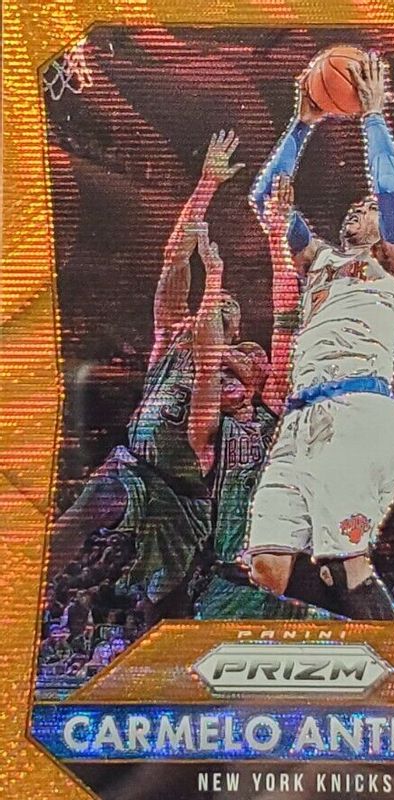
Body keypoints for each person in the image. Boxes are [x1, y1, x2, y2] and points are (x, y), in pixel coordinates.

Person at [245, 51, 394, 619]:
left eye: (366, 208)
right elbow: (265, 199)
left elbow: (390, 191)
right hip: (300, 417)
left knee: (347, 562)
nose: (359, 209)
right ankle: (384, 616)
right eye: (356, 206)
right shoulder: (319, 260)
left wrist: (372, 116)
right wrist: (302, 124)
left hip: (357, 411)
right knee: (267, 567)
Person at [49, 131, 244, 624]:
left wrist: (215, 281)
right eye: (213, 303)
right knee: (81, 516)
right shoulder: (171, 338)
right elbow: (174, 258)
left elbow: (210, 350)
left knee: (163, 609)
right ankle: (20, 588)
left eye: (227, 308)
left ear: (235, 331)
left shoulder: (228, 369)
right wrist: (206, 185)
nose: (216, 306)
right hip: (135, 469)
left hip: (184, 498)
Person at [192, 177, 336, 620]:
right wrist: (212, 282)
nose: (228, 372)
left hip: (287, 585)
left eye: (244, 363)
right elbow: (206, 354)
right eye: (223, 368)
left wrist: (277, 237)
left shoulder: (272, 412)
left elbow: (286, 317)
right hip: (228, 588)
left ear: (262, 378)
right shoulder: (209, 431)